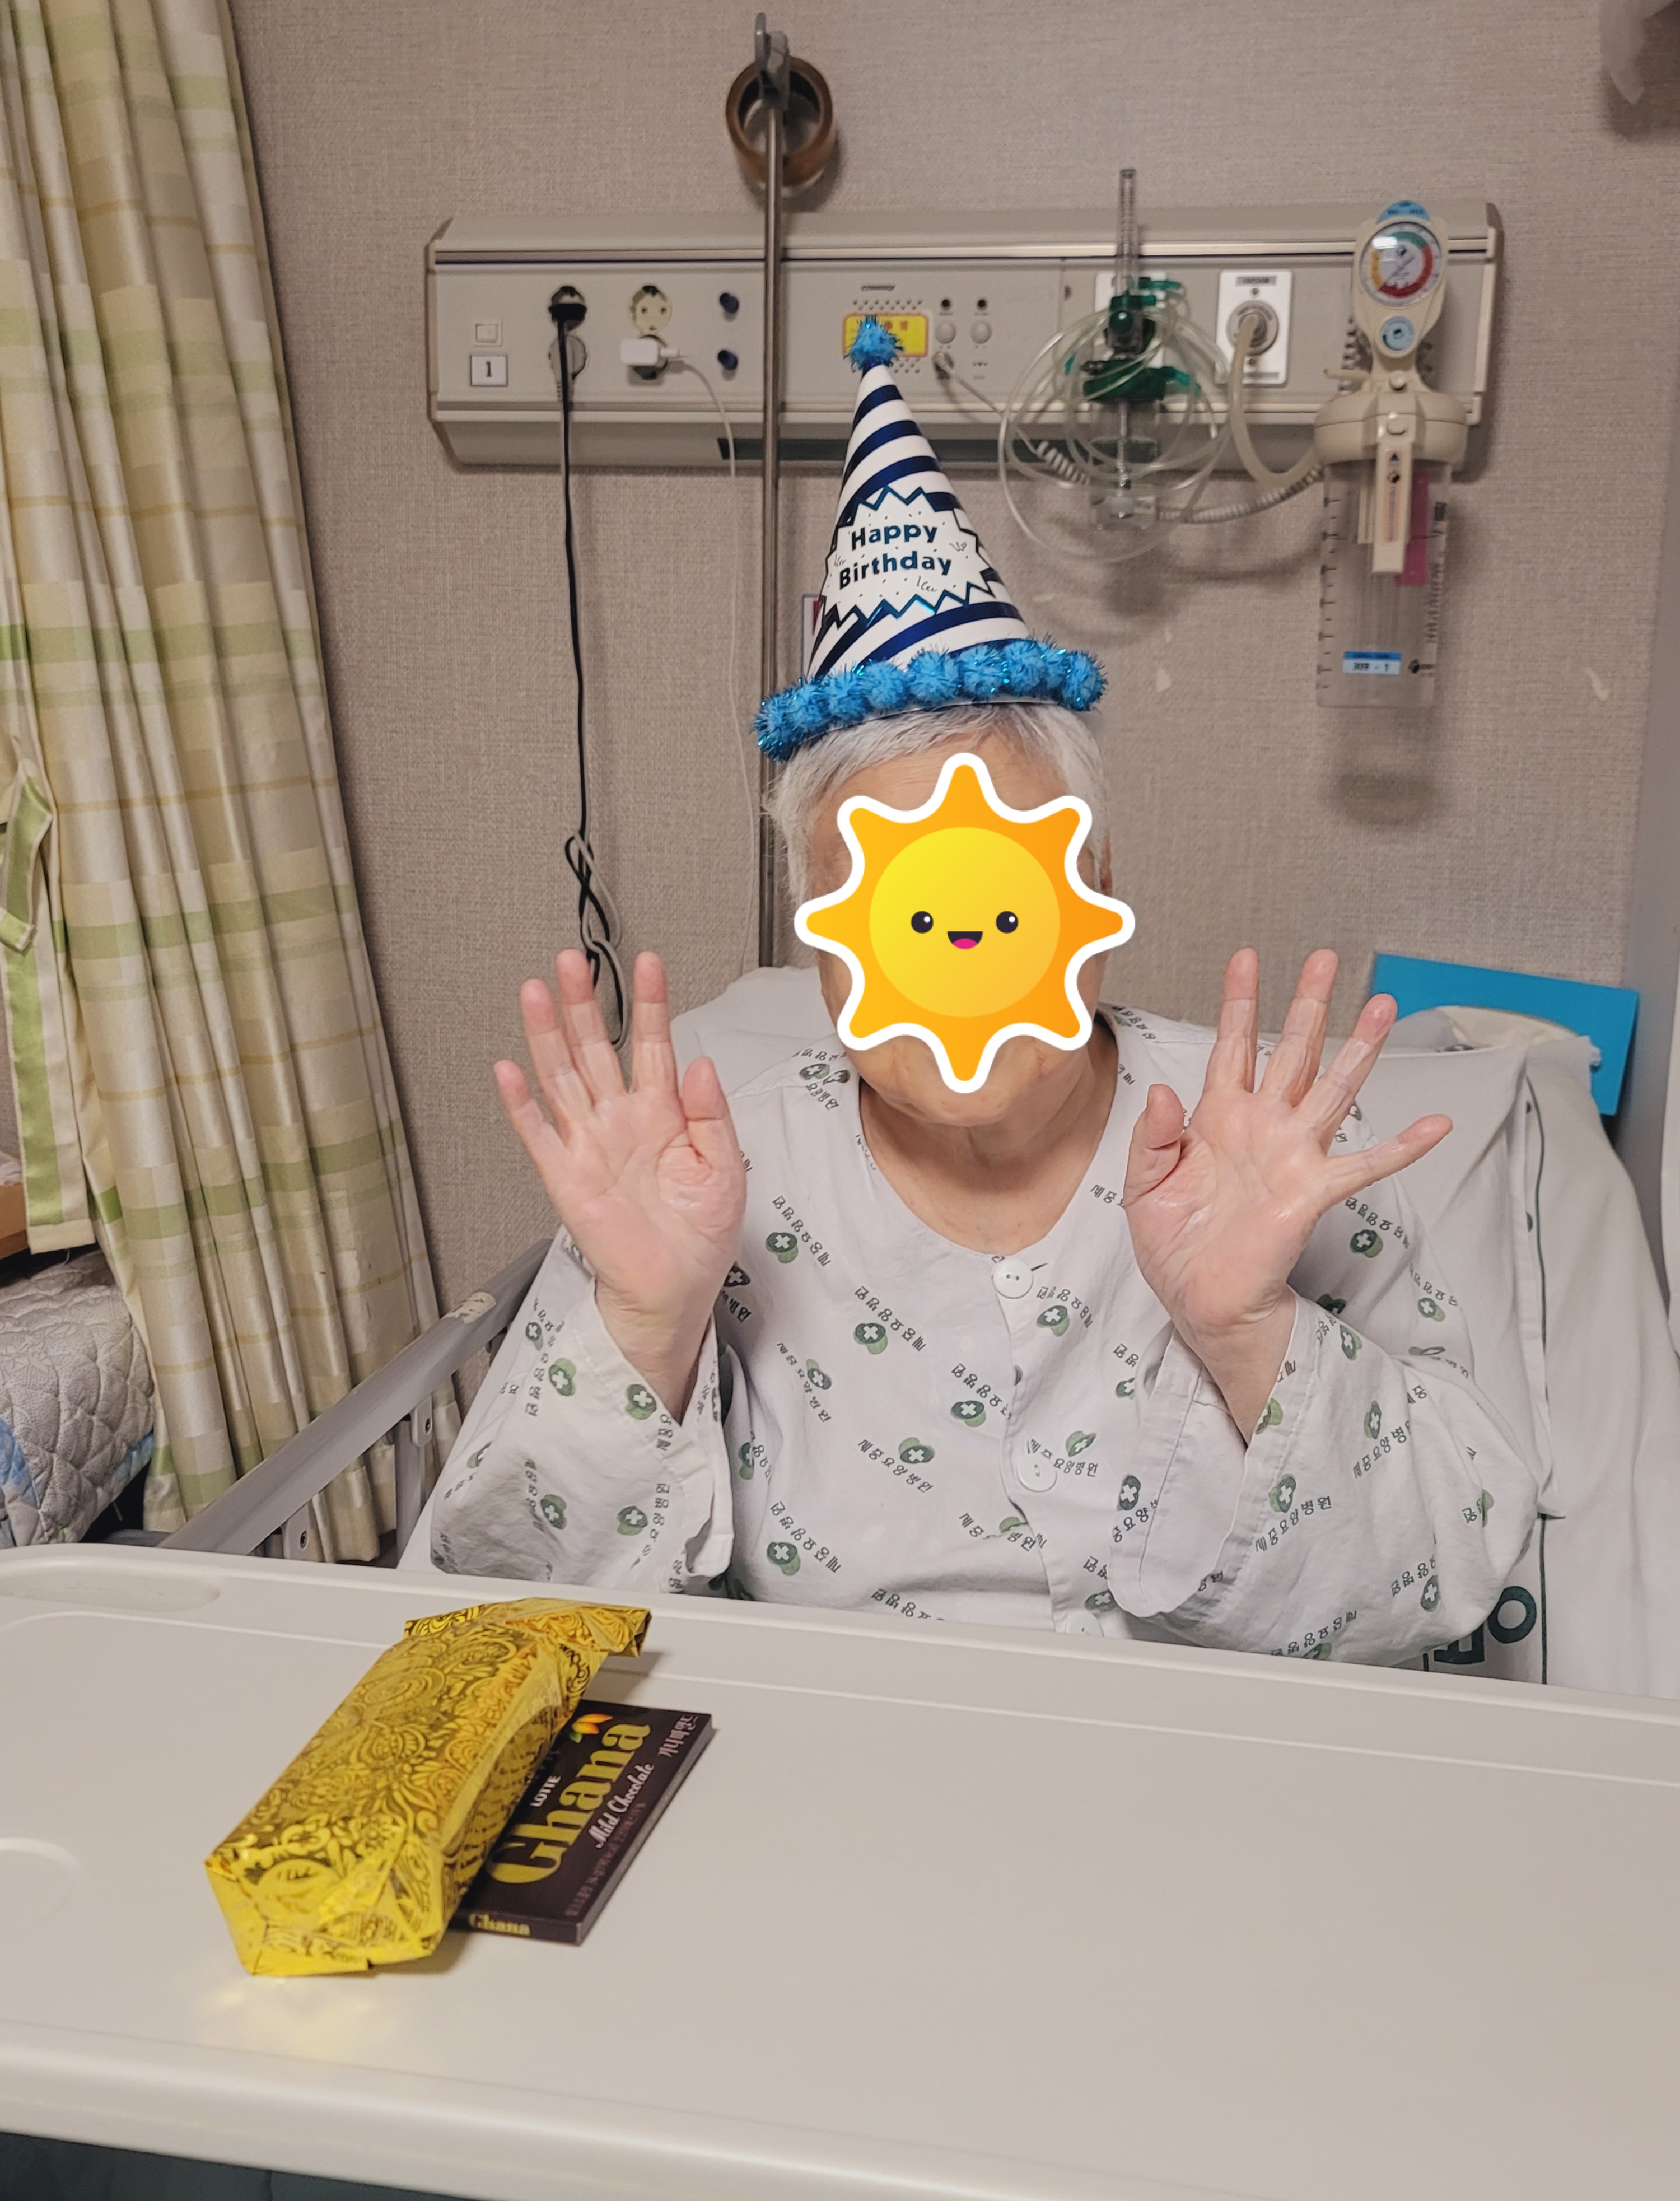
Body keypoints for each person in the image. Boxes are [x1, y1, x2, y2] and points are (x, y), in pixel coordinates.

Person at [403, 325, 1539, 1662]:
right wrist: (646, 1322)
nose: (957, 957)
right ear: (822, 937)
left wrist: (1252, 1331)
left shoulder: (1269, 1147)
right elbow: (493, 1610)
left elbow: (1456, 1570)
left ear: (1093, 887)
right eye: (898, 909)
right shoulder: (708, 1185)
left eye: (999, 895)